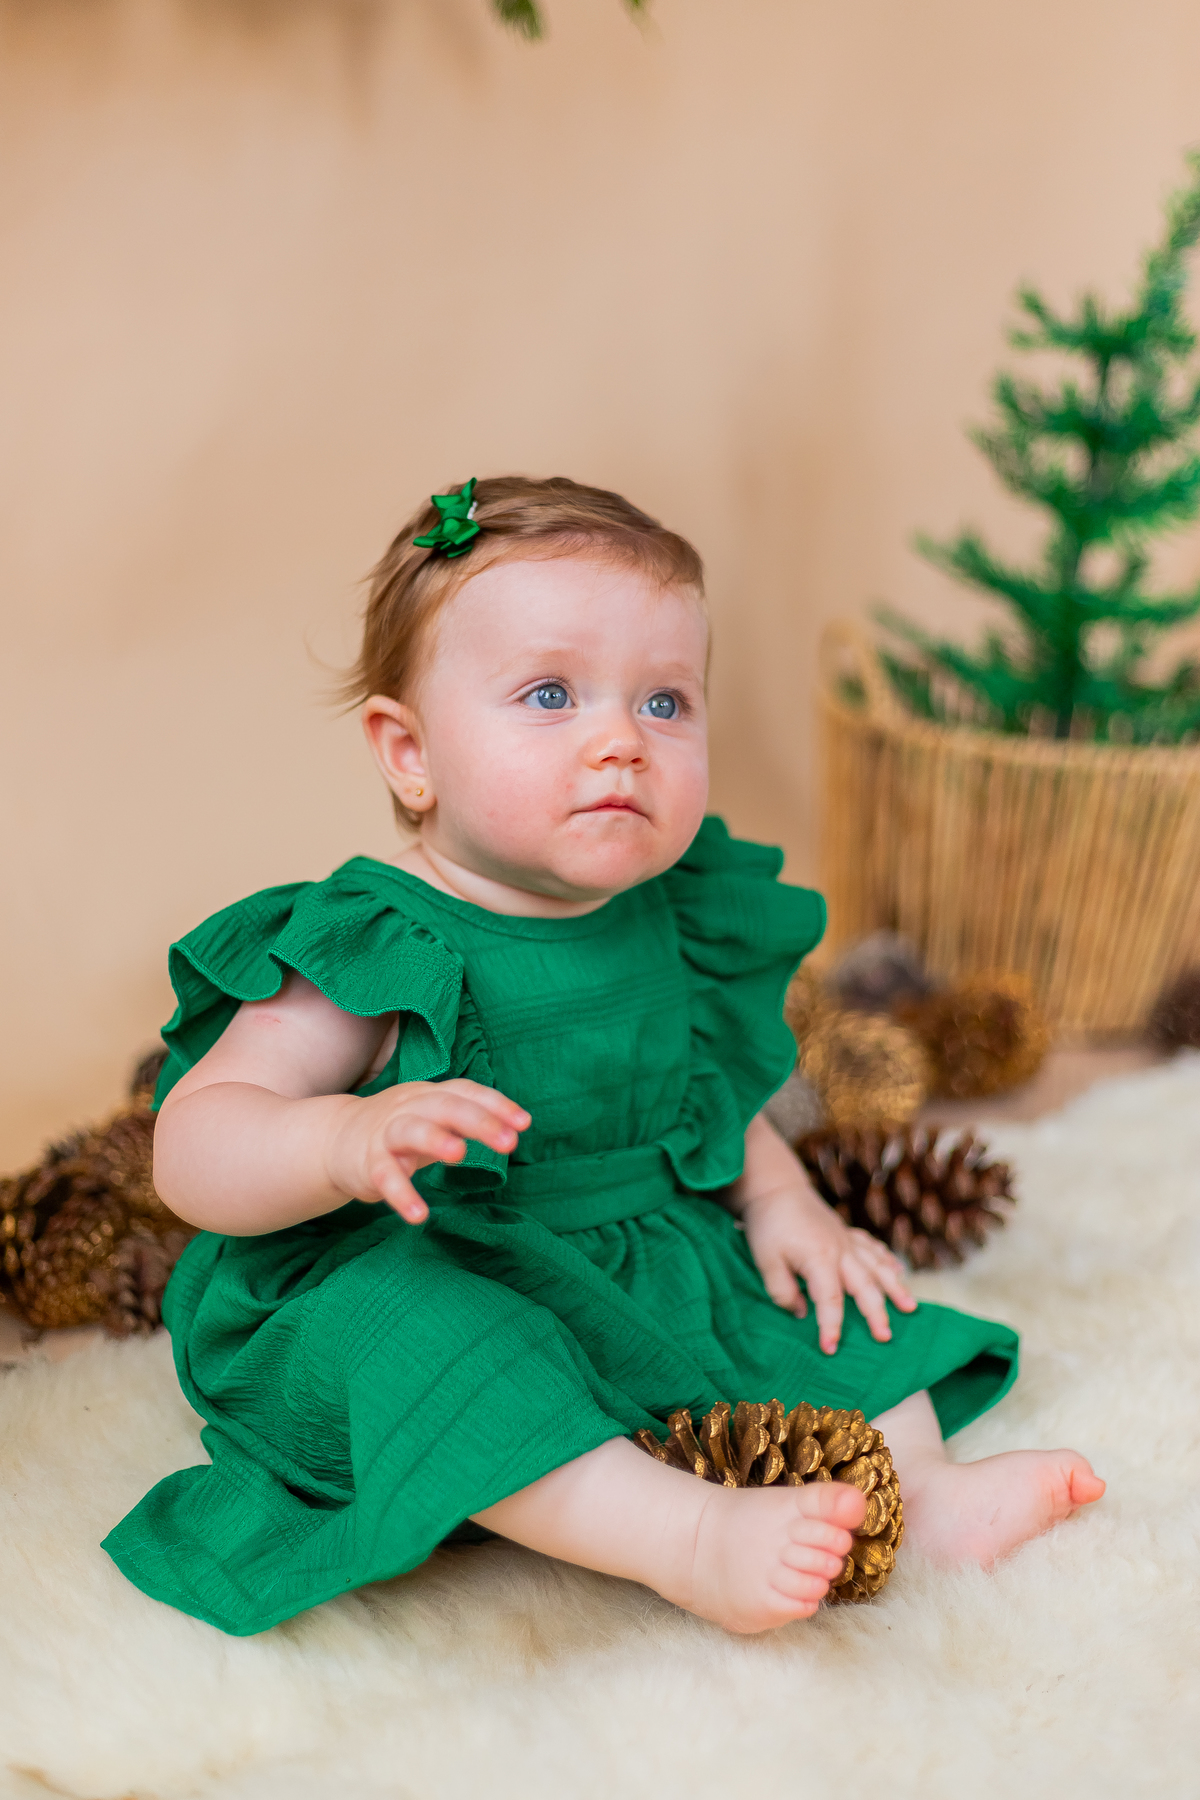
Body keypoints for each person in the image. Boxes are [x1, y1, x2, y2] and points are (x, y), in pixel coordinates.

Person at [103, 475, 1104, 1637]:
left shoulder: (669, 913)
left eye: (666, 702)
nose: (622, 740)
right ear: (410, 753)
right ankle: (685, 1539)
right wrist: (340, 1137)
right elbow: (195, 1145)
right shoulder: (377, 937)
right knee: (443, 1341)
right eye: (550, 694)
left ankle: (916, 1495)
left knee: (822, 1306)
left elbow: (701, 1107)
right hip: (423, 1266)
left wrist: (784, 1207)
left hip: (627, 1257)